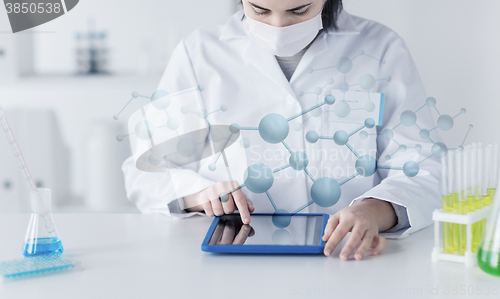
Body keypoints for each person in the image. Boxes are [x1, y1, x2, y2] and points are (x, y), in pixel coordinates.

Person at [122, 0, 441, 261]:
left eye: (299, 10)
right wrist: (199, 194)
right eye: (260, 10)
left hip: (349, 258)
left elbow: (424, 167)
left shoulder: (381, 48)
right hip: (234, 265)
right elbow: (146, 171)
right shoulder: (199, 53)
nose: (278, 27)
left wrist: (374, 210)